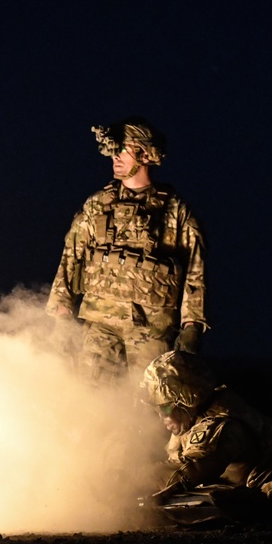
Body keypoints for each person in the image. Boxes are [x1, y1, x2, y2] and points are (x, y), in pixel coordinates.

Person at [45, 116, 207, 387]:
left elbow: (195, 273)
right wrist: (62, 314)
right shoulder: (97, 205)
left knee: (149, 407)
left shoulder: (175, 212)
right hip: (99, 325)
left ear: (144, 154)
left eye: (123, 150)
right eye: (113, 151)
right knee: (90, 399)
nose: (115, 158)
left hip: (151, 330)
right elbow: (71, 259)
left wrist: (192, 325)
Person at [137, 349, 272, 525]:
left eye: (165, 407)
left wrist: (127, 481)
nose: (161, 417)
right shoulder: (196, 416)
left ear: (187, 399)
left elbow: (190, 470)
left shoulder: (222, 425)